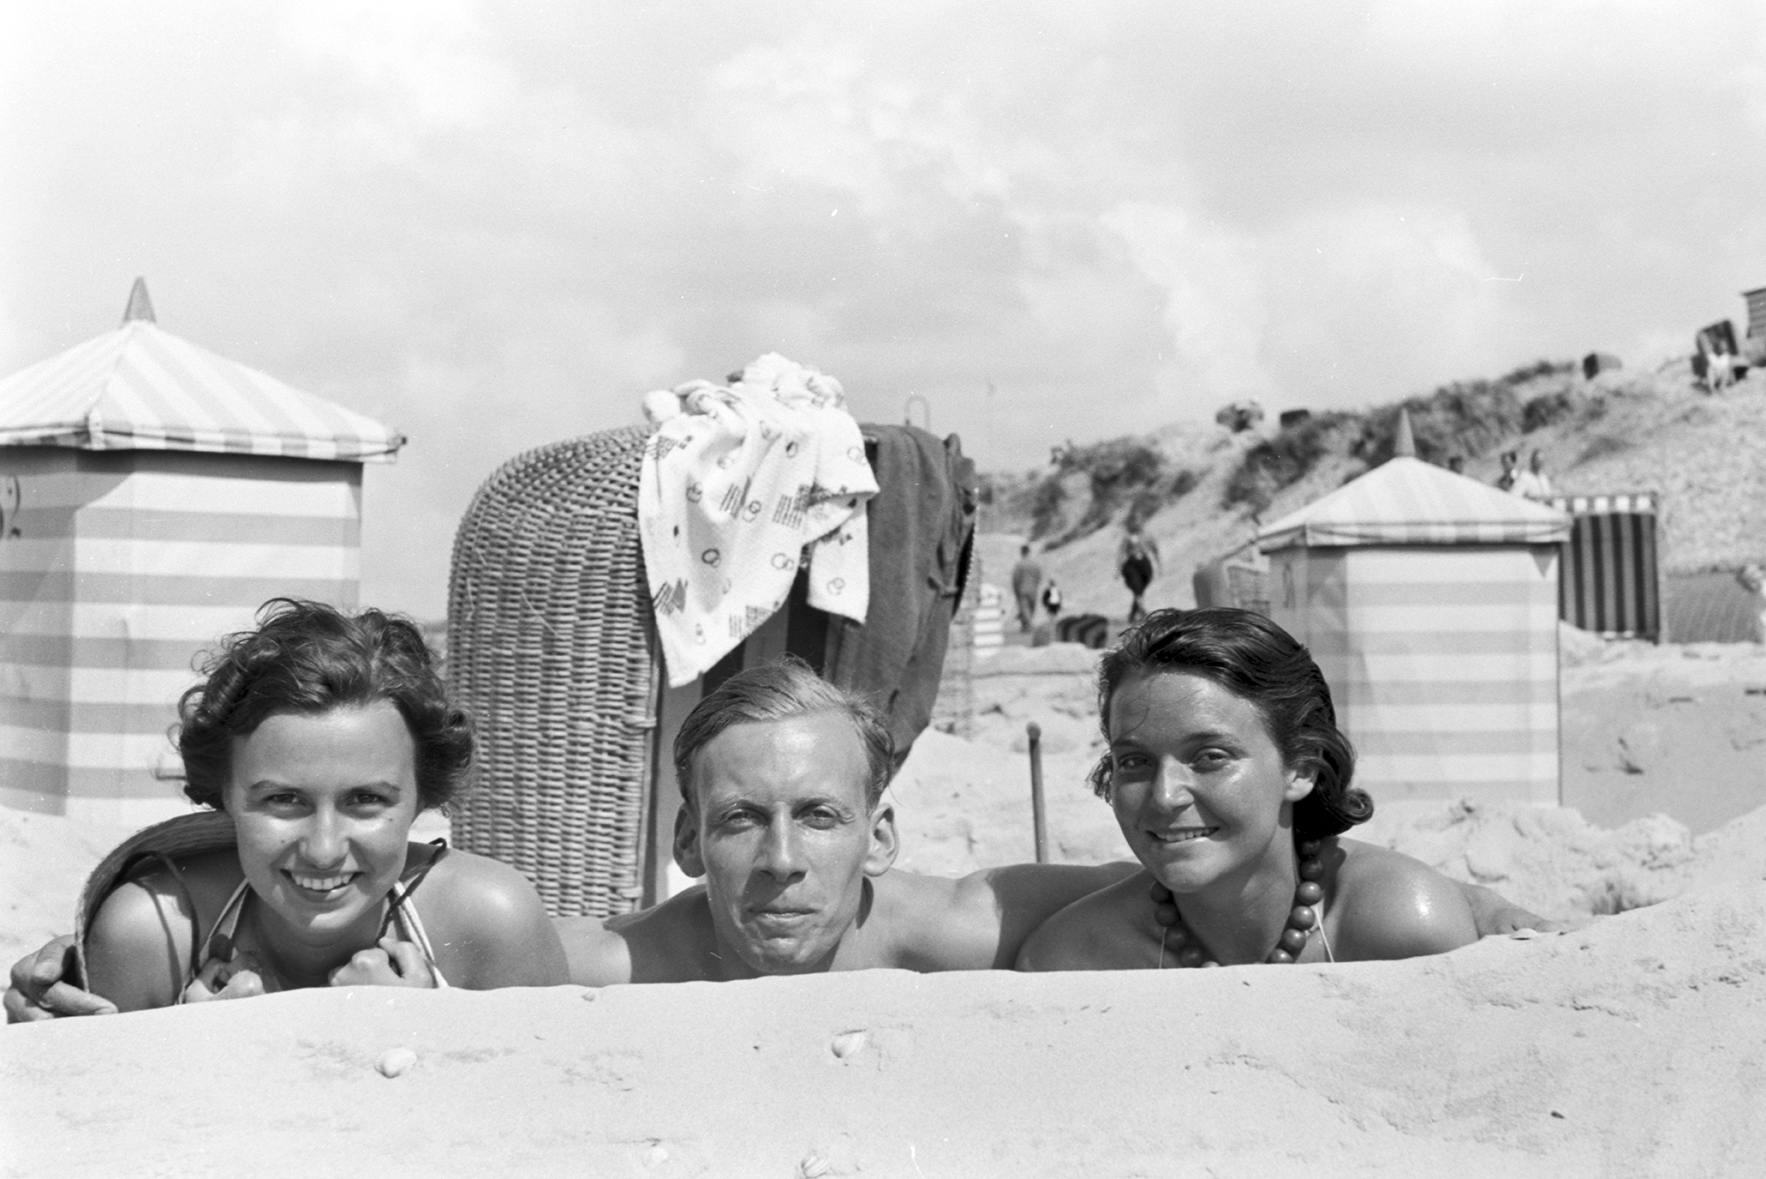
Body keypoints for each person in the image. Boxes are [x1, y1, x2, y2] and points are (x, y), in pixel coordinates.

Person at [10, 660, 1550, 1016]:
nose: (781, 856)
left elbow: (1148, 881)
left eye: (821, 816)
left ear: (877, 832)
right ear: (683, 834)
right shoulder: (607, 960)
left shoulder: (952, 927)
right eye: (739, 818)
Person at [61, 600, 566, 1013]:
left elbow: (554, 1117)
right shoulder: (152, 933)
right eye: (284, 799)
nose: (324, 851)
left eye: (366, 800)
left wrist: (423, 1031)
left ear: (422, 799)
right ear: (225, 797)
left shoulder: (492, 922)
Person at [1017, 608, 1479, 971]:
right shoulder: (1079, 958)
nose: (1164, 796)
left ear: (1300, 768)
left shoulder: (1401, 926)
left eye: (1210, 758)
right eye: (1134, 762)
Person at [1117, 524, 1161, 622]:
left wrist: (1159, 566)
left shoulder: (1147, 536)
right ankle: (1141, 610)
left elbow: (1155, 550)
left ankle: (1133, 614)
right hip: (1132, 564)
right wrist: (1118, 570)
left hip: (1144, 563)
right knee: (1137, 587)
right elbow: (1121, 553)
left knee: (1140, 589)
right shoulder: (1127, 538)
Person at [1009, 543, 1044, 633]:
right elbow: (1039, 577)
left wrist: (1016, 590)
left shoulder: (1019, 564)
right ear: (1029, 552)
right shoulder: (1035, 564)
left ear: (1021, 552)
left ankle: (1028, 625)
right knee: (1031, 608)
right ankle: (1026, 626)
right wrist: (1035, 585)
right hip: (1033, 590)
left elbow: (1015, 579)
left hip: (1022, 589)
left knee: (1024, 608)